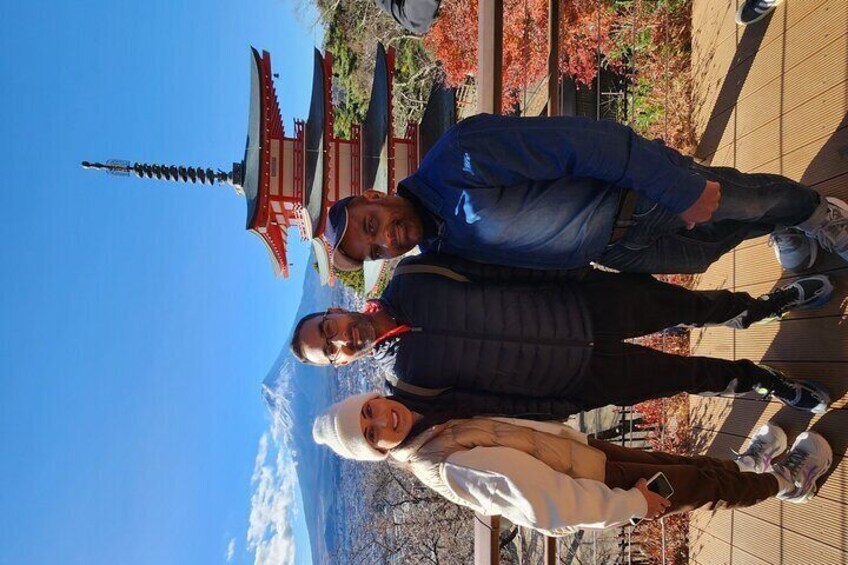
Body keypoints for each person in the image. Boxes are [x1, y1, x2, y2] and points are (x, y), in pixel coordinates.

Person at [291, 253, 834, 415]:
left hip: (583, 303)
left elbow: (506, 268)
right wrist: (560, 407)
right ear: (340, 363)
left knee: (687, 304)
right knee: (681, 376)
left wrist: (577, 274)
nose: (340, 338)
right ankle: (759, 381)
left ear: (336, 311)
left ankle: (765, 307)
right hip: (576, 377)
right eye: (330, 350)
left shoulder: (412, 275)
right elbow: (486, 406)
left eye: (328, 328)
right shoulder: (406, 388)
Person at [325, 113, 848, 275]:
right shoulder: (442, 249)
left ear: (374, 194)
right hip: (616, 250)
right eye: (374, 252)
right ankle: (786, 222)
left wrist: (674, 187)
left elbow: (578, 143)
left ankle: (819, 212)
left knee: (739, 198)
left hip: (636, 194)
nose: (385, 241)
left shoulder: (458, 157)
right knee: (708, 252)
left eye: (371, 226)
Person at [312, 392, 834, 534]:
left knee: (687, 466)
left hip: (591, 458)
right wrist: (628, 504)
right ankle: (785, 481)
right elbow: (543, 506)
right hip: (603, 484)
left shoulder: (433, 428)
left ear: (374, 398)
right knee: (698, 485)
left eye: (369, 412)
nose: (382, 422)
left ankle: (749, 466)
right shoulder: (441, 464)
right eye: (370, 434)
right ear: (378, 452)